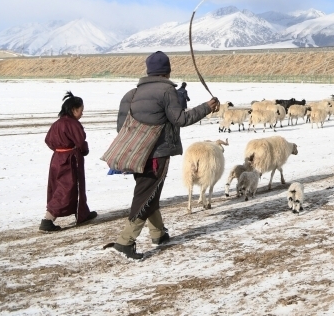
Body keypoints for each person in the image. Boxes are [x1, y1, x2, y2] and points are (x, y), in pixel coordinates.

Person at [108, 51, 218, 259]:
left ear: (149, 71)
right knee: (145, 195)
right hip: (156, 155)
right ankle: (125, 242)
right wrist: (206, 107)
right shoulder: (167, 91)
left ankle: (158, 234)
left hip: (134, 154)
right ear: (167, 71)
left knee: (150, 191)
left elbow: (121, 128)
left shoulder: (130, 94)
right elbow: (181, 119)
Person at [41, 91, 96, 232]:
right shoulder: (72, 124)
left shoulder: (57, 123)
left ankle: (83, 213)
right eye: (81, 110)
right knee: (66, 189)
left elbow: (48, 140)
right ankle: (47, 220)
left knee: (65, 187)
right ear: (73, 110)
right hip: (69, 161)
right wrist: (82, 150)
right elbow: (80, 142)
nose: (82, 113)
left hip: (57, 159)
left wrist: (60, 150)